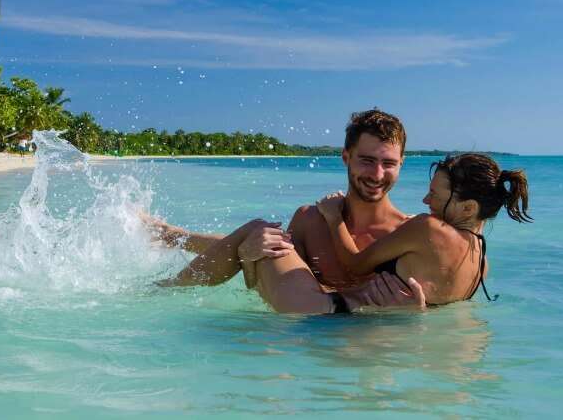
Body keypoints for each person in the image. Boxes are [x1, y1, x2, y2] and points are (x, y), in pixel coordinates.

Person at [149, 109, 428, 311]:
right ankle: (166, 285)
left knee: (255, 237)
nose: (377, 174)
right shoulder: (311, 220)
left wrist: (416, 312)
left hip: (351, 344)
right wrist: (248, 257)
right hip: (310, 331)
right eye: (367, 160)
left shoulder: (408, 234)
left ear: (402, 163)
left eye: (388, 163)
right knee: (264, 239)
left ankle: (172, 235)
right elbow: (271, 284)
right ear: (346, 158)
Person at [315, 153, 531, 306]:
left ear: (468, 208)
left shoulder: (427, 228)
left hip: (338, 322)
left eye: (434, 194)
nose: (425, 200)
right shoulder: (482, 266)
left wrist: (334, 217)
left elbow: (355, 264)